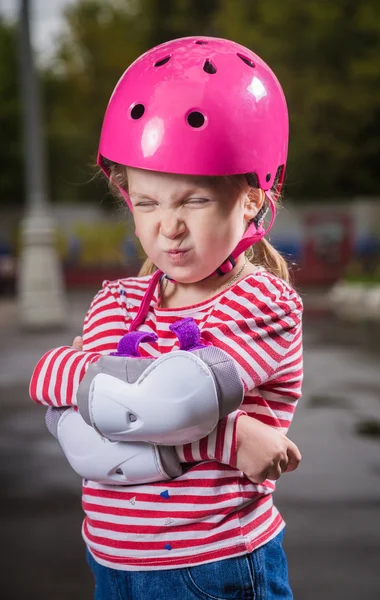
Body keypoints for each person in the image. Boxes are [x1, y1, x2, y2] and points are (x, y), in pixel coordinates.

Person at [29, 36, 303, 599]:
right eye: (148, 203)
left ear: (251, 198)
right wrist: (231, 437)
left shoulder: (264, 303)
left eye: (193, 201)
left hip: (217, 565)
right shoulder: (120, 299)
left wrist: (95, 394)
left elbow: (169, 401)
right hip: (111, 560)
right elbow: (91, 427)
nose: (168, 227)